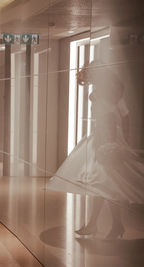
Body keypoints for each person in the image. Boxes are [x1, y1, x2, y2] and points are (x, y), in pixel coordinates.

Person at [46, 61, 144, 239]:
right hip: (103, 135)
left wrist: (117, 142)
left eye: (91, 75)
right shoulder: (109, 90)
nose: (89, 78)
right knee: (103, 183)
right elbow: (124, 115)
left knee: (104, 182)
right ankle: (109, 225)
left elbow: (122, 116)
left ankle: (105, 225)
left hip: (107, 137)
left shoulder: (109, 91)